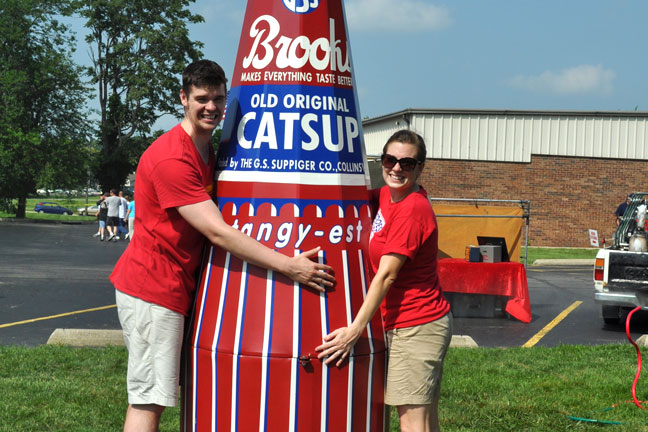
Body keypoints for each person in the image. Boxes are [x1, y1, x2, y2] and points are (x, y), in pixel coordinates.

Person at [109, 60, 335, 432]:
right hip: (153, 291)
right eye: (201, 98)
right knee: (149, 399)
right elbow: (219, 232)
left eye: (218, 98)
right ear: (183, 99)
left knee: (160, 392)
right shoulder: (172, 157)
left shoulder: (206, 149)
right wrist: (288, 265)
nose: (211, 107)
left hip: (175, 287)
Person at [316, 130, 452, 432]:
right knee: (425, 419)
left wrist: (354, 330)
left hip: (417, 326)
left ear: (420, 167)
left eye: (407, 163)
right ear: (381, 161)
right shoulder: (387, 197)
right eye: (390, 160)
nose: (397, 168)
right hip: (408, 323)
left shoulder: (412, 208)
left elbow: (387, 275)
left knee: (413, 421)